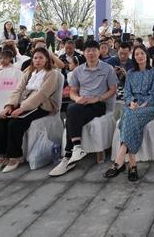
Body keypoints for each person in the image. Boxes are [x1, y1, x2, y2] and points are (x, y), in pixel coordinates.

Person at [49, 40, 118, 176]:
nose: (91, 53)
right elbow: (73, 92)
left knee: (71, 111)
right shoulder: (78, 70)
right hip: (82, 103)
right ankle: (75, 149)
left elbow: (113, 90)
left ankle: (68, 155)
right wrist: (77, 99)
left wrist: (97, 98)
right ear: (84, 53)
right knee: (73, 109)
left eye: (94, 50)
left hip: (99, 104)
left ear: (99, 52)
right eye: (88, 50)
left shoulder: (107, 69)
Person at [0, 48, 60, 173]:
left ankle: (15, 157)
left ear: (47, 59)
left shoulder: (52, 74)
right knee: (0, 120)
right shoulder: (29, 72)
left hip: (42, 106)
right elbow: (18, 90)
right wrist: (9, 106)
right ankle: (1, 156)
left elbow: (42, 94)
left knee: (15, 123)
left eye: (41, 58)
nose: (37, 60)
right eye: (35, 58)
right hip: (23, 103)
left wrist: (22, 108)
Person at [104, 45, 154, 181]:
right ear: (134, 57)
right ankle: (132, 164)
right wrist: (131, 103)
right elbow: (127, 93)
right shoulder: (130, 73)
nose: (139, 56)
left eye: (142, 53)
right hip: (132, 106)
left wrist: (141, 105)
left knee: (129, 117)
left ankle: (119, 161)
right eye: (136, 54)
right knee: (130, 114)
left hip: (148, 107)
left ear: (146, 55)